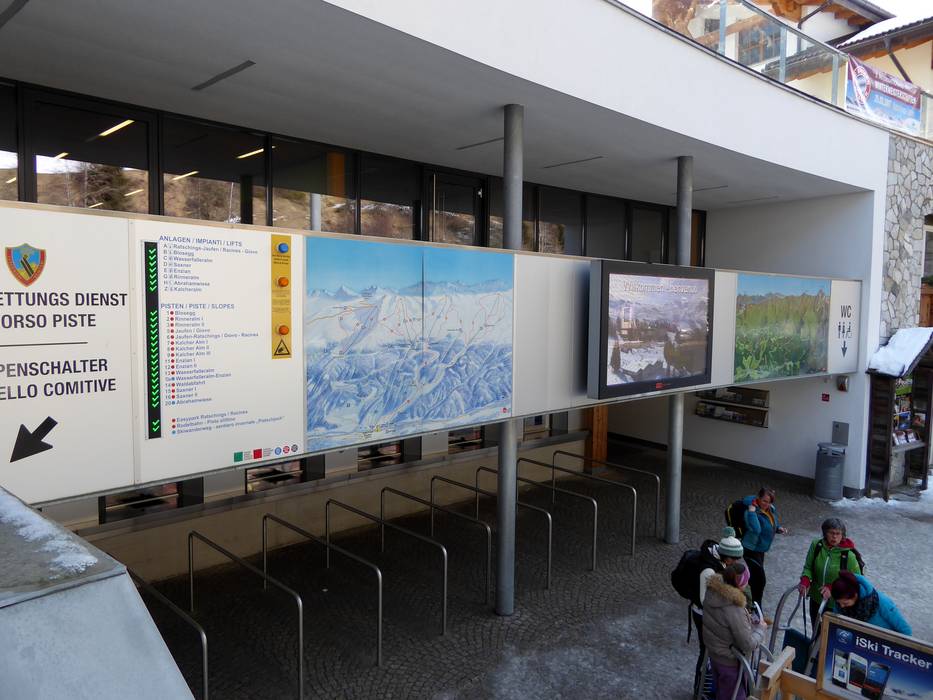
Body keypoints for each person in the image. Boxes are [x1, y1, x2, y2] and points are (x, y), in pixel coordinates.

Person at [703, 561, 767, 700]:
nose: (748, 585)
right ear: (740, 584)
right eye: (746, 581)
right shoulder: (734, 607)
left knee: (720, 692)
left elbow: (723, 624)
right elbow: (747, 644)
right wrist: (761, 629)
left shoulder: (712, 592)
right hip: (730, 663)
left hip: (715, 655)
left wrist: (747, 620)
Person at [692, 527, 745, 696]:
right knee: (705, 652)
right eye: (735, 559)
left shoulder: (721, 563)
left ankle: (708, 689)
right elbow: (705, 600)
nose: (736, 563)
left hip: (712, 615)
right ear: (727, 557)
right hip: (702, 615)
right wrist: (727, 603)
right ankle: (700, 689)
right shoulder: (708, 570)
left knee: (710, 654)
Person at [798, 517, 862, 628]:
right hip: (816, 599)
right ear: (825, 533)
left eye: (838, 533)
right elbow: (808, 567)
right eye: (831, 533)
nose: (834, 537)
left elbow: (856, 581)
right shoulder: (816, 546)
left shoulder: (849, 556)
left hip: (837, 604)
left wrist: (832, 587)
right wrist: (805, 580)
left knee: (829, 635)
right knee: (816, 631)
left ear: (843, 535)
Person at [741, 487, 787, 606]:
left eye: (769, 502)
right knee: (760, 580)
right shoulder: (750, 511)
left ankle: (749, 601)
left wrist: (778, 529)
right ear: (758, 498)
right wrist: (752, 512)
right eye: (764, 501)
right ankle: (757, 606)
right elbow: (756, 529)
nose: (767, 504)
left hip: (760, 550)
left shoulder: (770, 510)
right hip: (750, 549)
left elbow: (772, 523)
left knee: (755, 578)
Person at [830, 571, 912, 635]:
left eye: (845, 603)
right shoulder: (840, 604)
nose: (841, 606)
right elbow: (836, 625)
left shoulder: (881, 602)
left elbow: (905, 630)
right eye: (839, 603)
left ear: (855, 595)